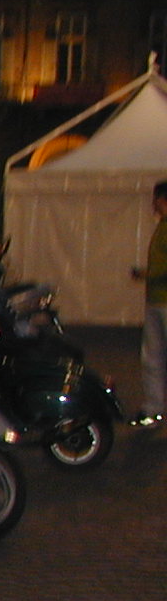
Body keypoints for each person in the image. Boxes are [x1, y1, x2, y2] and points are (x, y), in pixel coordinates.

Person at [131, 179, 167, 426]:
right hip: (156, 299)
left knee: (155, 354)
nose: (153, 205)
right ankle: (154, 407)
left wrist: (147, 274)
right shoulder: (161, 227)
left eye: (155, 200)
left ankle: (155, 406)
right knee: (152, 355)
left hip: (162, 300)